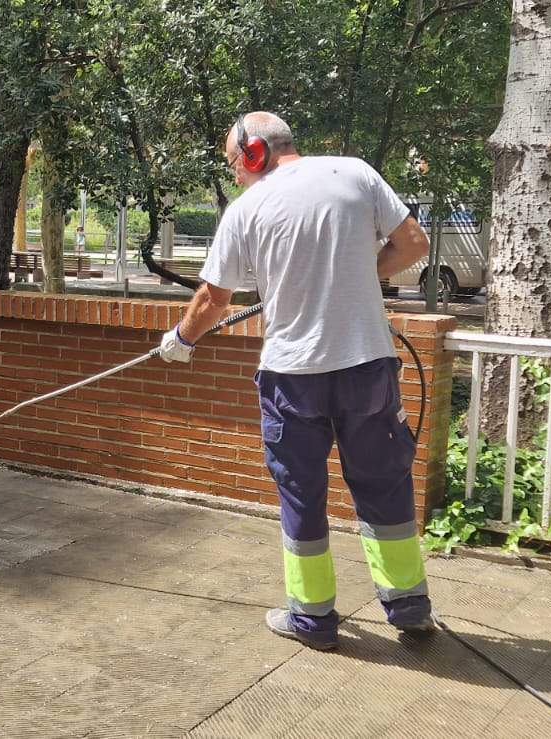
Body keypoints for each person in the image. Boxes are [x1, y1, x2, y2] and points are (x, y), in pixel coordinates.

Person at [156, 111, 434, 651]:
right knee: (384, 486)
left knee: (302, 496)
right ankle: (409, 607)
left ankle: (312, 620)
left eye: (234, 164)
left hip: (293, 379)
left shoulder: (246, 209)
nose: (236, 175)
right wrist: (352, 273)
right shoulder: (355, 173)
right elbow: (413, 244)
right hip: (367, 366)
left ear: (254, 152)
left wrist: (181, 340)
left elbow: (213, 299)